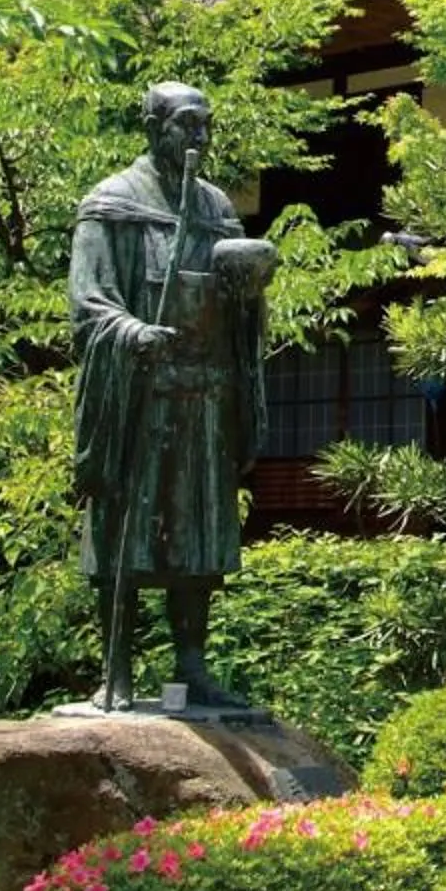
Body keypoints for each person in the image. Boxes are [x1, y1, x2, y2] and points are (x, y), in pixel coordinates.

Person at [69, 81, 275, 710]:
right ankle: (118, 670)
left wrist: (245, 291)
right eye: (189, 125)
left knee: (198, 534)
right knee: (125, 535)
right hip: (140, 393)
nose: (201, 139)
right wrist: (131, 332)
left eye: (206, 126)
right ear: (154, 126)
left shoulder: (214, 207)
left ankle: (192, 667)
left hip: (204, 397)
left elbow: (242, 316)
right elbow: (87, 300)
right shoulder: (111, 204)